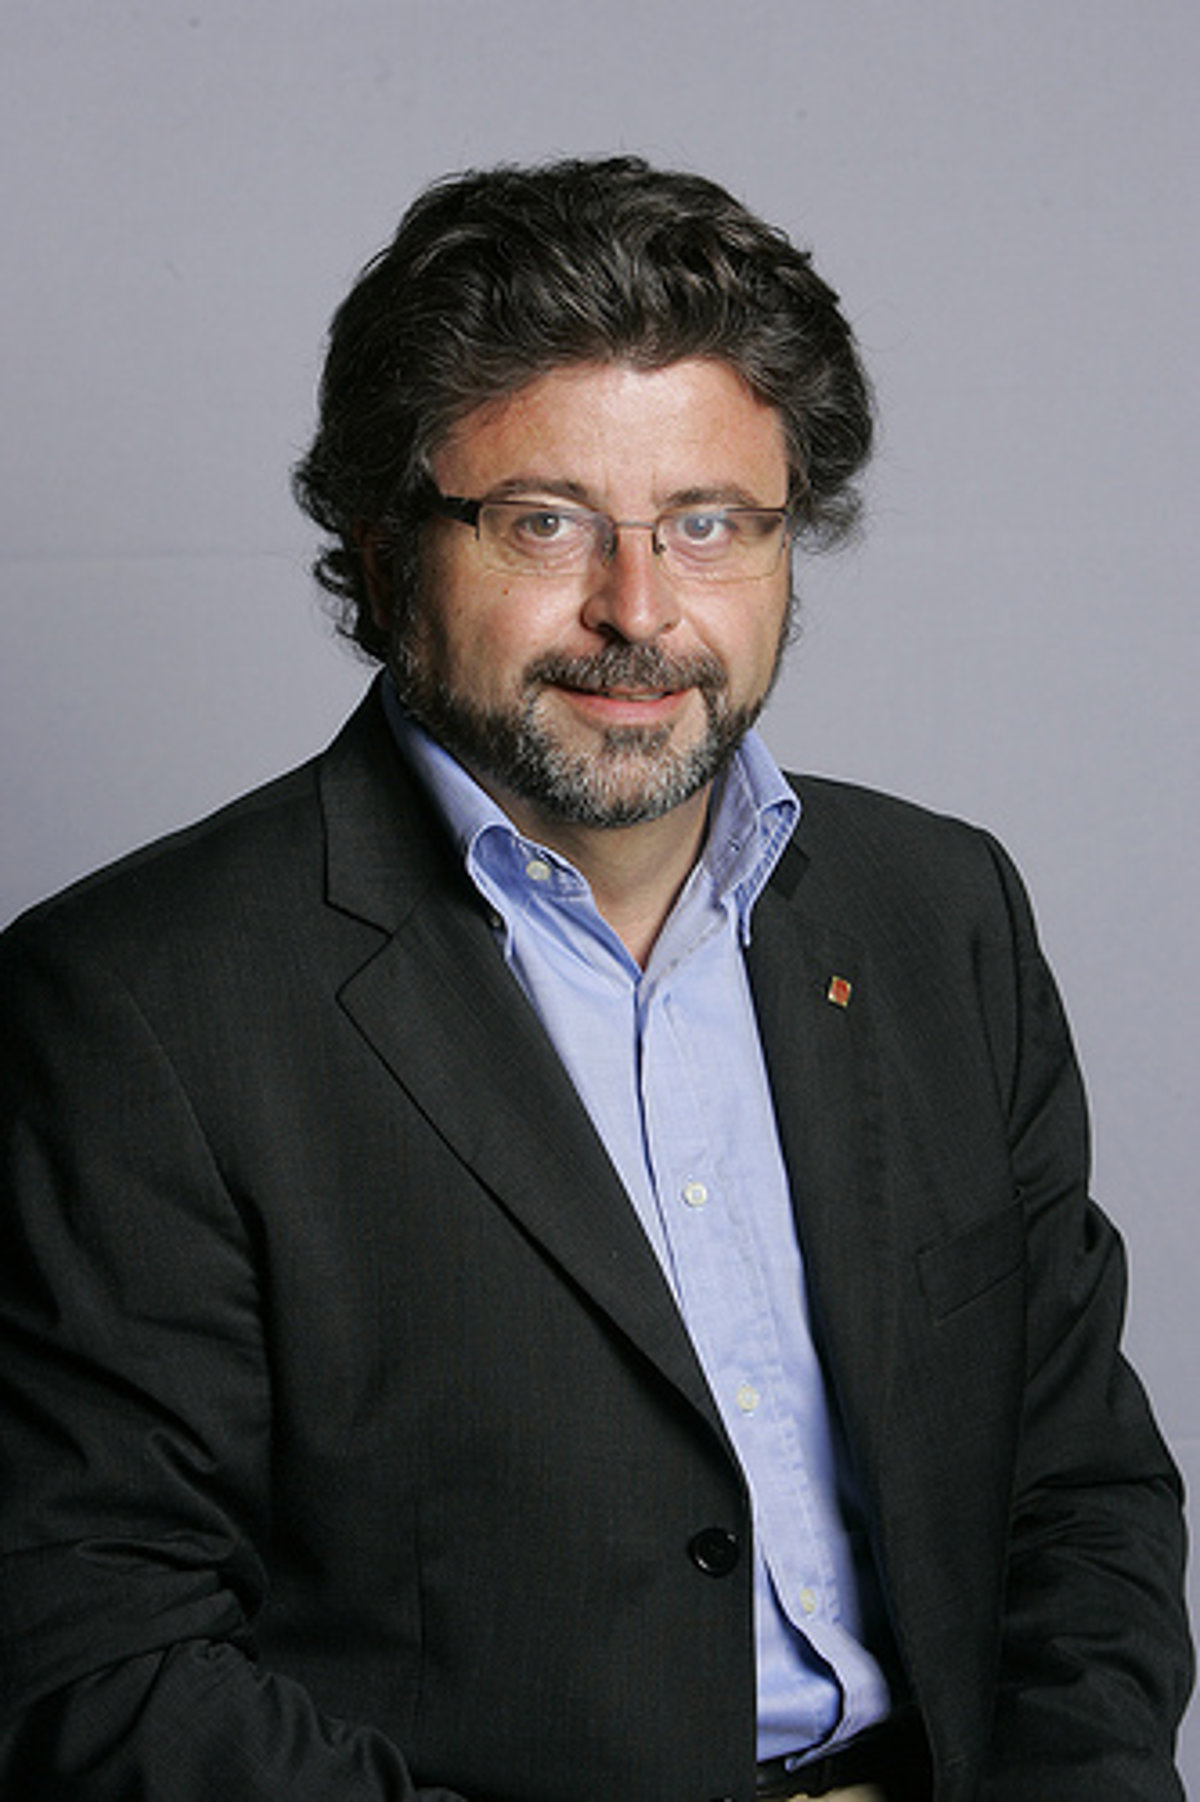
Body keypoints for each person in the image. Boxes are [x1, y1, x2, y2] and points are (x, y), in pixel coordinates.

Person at [0, 156, 1191, 1802]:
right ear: (384, 548)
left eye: (708, 524)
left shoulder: (943, 914)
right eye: (544, 521)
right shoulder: (132, 1007)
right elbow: (97, 1658)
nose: (639, 611)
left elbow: (1077, 1491)